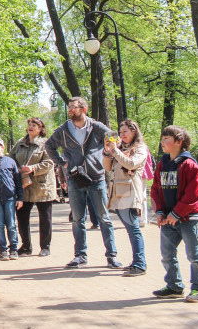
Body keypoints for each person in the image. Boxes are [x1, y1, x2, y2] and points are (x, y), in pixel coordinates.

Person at [43, 96, 123, 269]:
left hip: (96, 178)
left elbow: (115, 139)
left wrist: (108, 153)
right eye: (69, 107)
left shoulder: (96, 127)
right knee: (78, 219)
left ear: (84, 109)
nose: (70, 110)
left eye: (74, 107)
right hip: (74, 178)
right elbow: (49, 146)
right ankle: (80, 255)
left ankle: (112, 256)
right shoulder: (63, 129)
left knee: (104, 218)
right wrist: (62, 163)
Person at [150, 125, 198, 302]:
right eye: (162, 138)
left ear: (179, 142)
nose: (162, 142)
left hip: (187, 219)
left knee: (194, 256)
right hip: (167, 219)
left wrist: (176, 213)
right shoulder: (162, 164)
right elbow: (156, 188)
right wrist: (159, 211)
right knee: (167, 255)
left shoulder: (190, 165)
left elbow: (193, 194)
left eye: (167, 139)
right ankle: (174, 285)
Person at [104, 119, 149, 277]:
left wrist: (115, 151)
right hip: (118, 193)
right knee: (131, 230)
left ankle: (140, 264)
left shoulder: (140, 148)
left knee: (134, 229)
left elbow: (131, 164)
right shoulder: (120, 149)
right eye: (120, 132)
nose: (122, 135)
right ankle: (136, 262)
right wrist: (107, 153)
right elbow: (108, 168)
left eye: (125, 132)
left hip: (130, 194)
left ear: (134, 131)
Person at [9, 118, 55, 257]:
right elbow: (10, 158)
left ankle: (45, 247)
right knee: (22, 217)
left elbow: (50, 162)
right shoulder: (20, 143)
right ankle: (26, 246)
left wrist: (33, 168)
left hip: (42, 187)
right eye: (29, 124)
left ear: (41, 128)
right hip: (24, 186)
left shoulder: (46, 144)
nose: (30, 127)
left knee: (45, 218)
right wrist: (17, 168)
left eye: (34, 125)